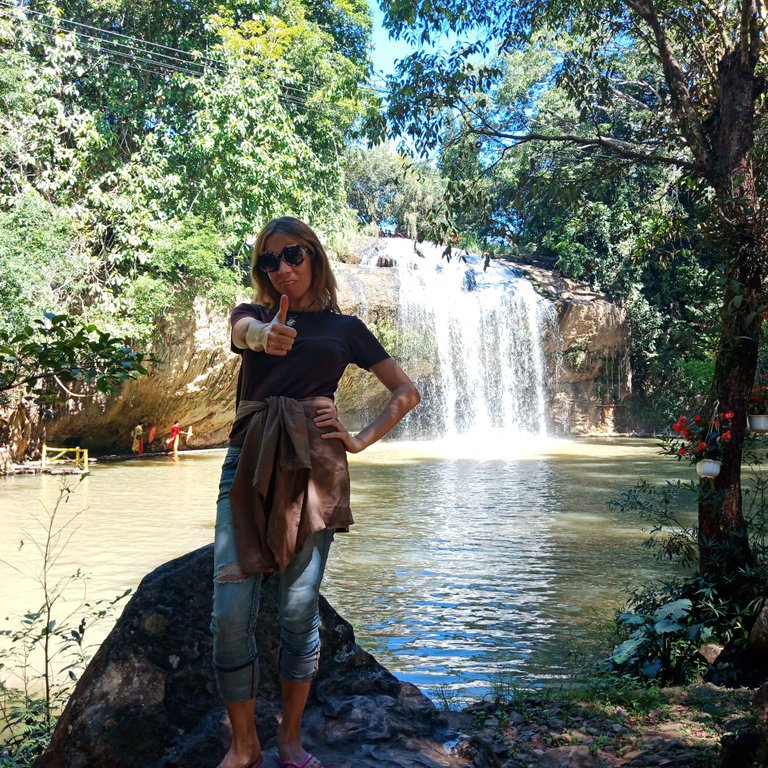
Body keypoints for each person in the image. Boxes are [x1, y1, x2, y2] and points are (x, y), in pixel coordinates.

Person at [211, 216, 420, 768]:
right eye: (268, 261)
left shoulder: (346, 328)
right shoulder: (253, 314)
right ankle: (244, 744)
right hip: (248, 461)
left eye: (292, 255)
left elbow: (406, 391)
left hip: (315, 466)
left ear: (315, 257)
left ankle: (289, 739)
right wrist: (264, 335)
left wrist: (358, 438)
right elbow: (243, 334)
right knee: (230, 613)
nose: (281, 268)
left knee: (297, 614)